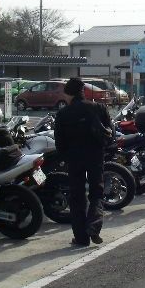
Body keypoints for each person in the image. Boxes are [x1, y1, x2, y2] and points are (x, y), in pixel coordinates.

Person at [54, 77, 112, 247]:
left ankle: (81, 238)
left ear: (68, 94)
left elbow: (59, 143)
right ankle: (94, 225)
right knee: (97, 192)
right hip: (95, 155)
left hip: (74, 158)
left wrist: (66, 158)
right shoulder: (99, 108)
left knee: (77, 196)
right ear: (83, 91)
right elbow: (110, 133)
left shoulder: (63, 113)